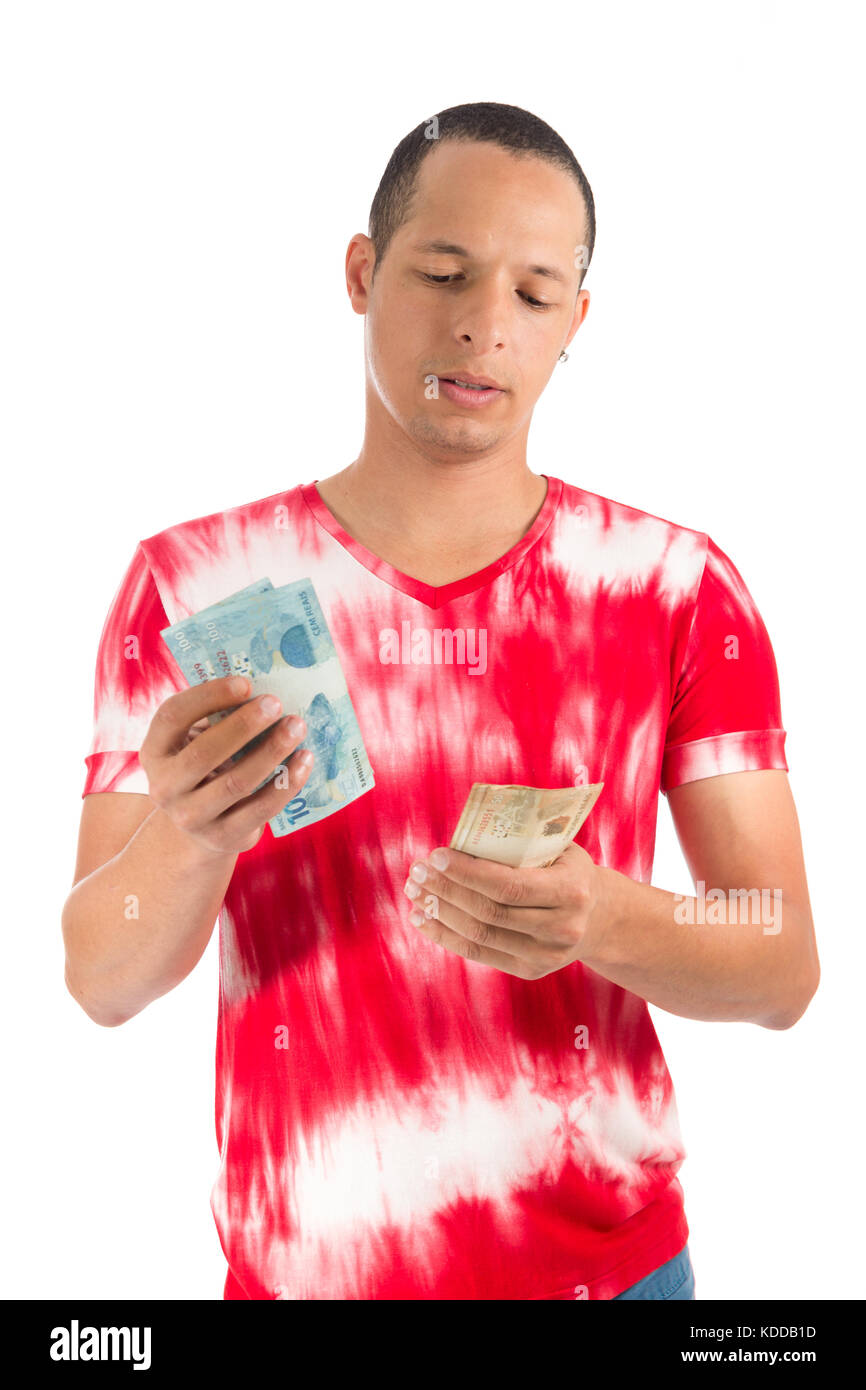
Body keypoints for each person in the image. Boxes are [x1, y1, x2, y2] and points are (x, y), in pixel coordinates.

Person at [62, 101, 819, 1301]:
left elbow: (778, 958)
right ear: (362, 274)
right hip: (305, 1277)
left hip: (609, 1277)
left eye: (532, 293)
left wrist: (605, 919)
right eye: (444, 271)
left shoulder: (671, 585)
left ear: (576, 320)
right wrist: (191, 831)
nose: (481, 327)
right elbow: (100, 978)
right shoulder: (195, 585)